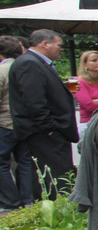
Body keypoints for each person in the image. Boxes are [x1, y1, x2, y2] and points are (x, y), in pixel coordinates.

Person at [9, 29, 78, 199]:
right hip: (45, 134)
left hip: (47, 131)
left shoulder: (36, 63)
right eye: (59, 45)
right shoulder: (29, 63)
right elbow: (34, 100)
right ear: (45, 44)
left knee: (56, 175)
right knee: (55, 178)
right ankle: (57, 208)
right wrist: (49, 128)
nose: (61, 49)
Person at [0, 36, 33, 211]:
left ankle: (10, 202)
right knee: (25, 162)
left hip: (4, 123)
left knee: (2, 164)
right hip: (24, 123)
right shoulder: (26, 67)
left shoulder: (2, 70)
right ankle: (28, 200)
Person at [73, 50, 98, 139]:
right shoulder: (79, 82)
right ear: (85, 64)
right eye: (94, 60)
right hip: (89, 124)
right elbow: (88, 106)